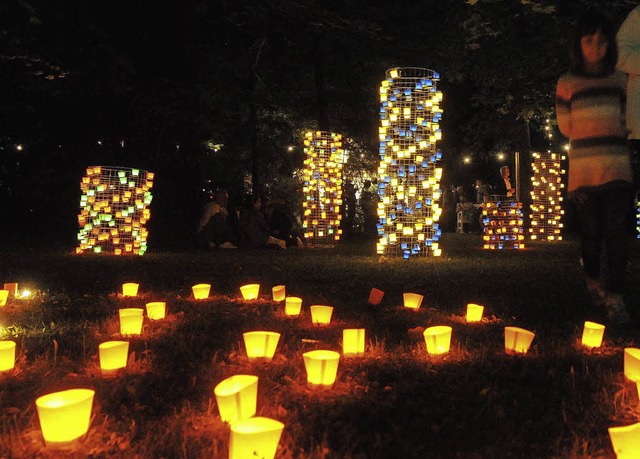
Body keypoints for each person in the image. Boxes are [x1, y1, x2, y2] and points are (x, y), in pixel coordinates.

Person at [556, 11, 633, 323]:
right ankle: (593, 281)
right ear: (579, 44)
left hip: (616, 167)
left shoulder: (621, 80)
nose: (596, 47)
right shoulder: (567, 83)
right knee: (591, 231)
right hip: (584, 171)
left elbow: (630, 119)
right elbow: (565, 126)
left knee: (617, 232)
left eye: (602, 41)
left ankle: (615, 296)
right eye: (589, 40)